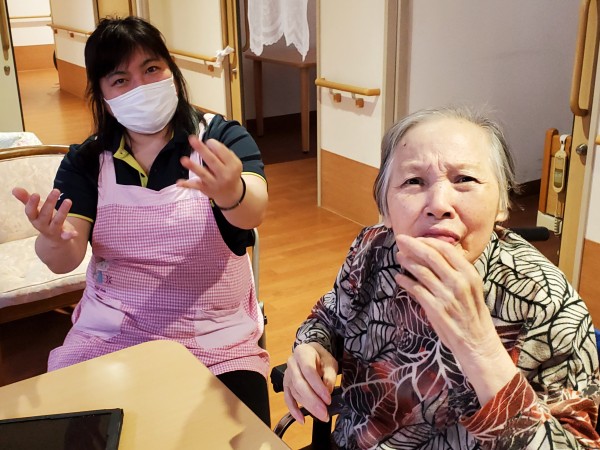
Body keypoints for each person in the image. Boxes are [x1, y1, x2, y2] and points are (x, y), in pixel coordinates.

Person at [283, 105, 600, 448]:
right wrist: (312, 346)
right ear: (385, 209)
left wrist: (481, 348)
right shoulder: (372, 249)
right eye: (414, 181)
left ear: (501, 205)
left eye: (464, 180)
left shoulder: (545, 300)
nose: (438, 204)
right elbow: (330, 316)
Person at [12, 16, 271, 425]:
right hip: (110, 333)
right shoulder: (87, 161)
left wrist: (231, 192)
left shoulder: (219, 138)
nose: (141, 86)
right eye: (121, 80)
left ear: (172, 72)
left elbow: (253, 210)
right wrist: (54, 240)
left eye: (151, 69)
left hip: (215, 334)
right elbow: (65, 257)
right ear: (103, 96)